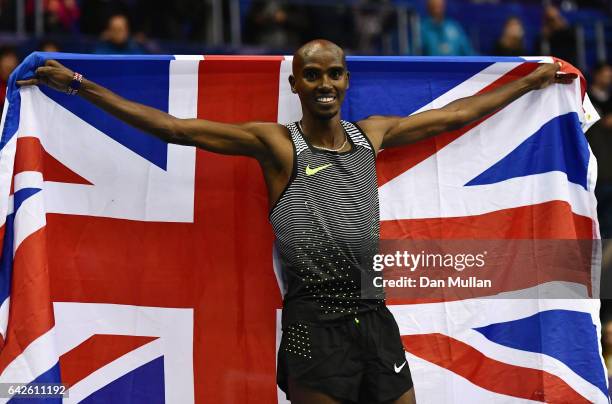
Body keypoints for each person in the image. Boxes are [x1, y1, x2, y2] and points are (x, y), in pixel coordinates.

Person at [17, 39, 573, 404]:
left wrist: (530, 81)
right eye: (312, 75)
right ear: (296, 85)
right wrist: (78, 85)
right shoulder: (275, 143)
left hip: (374, 319)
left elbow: (455, 115)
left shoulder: (371, 134)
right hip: (313, 327)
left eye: (334, 74)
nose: (325, 84)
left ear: (347, 80)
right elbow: (175, 129)